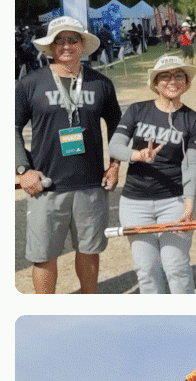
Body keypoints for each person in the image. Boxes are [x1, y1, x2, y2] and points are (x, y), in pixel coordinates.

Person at [16, 15, 123, 294]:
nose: (66, 46)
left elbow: (117, 125)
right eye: (59, 40)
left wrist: (114, 166)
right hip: (46, 186)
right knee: (43, 255)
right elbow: (10, 126)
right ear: (50, 47)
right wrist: (22, 169)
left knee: (89, 251)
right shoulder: (31, 83)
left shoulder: (100, 83)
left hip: (90, 184)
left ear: (83, 44)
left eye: (72, 39)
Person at [108, 53, 196, 295]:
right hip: (134, 204)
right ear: (155, 84)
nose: (172, 81)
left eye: (178, 76)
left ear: (187, 82)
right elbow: (114, 147)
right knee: (147, 269)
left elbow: (191, 166)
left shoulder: (194, 121)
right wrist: (138, 155)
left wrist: (189, 205)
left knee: (177, 268)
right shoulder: (137, 110)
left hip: (173, 203)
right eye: (165, 76)